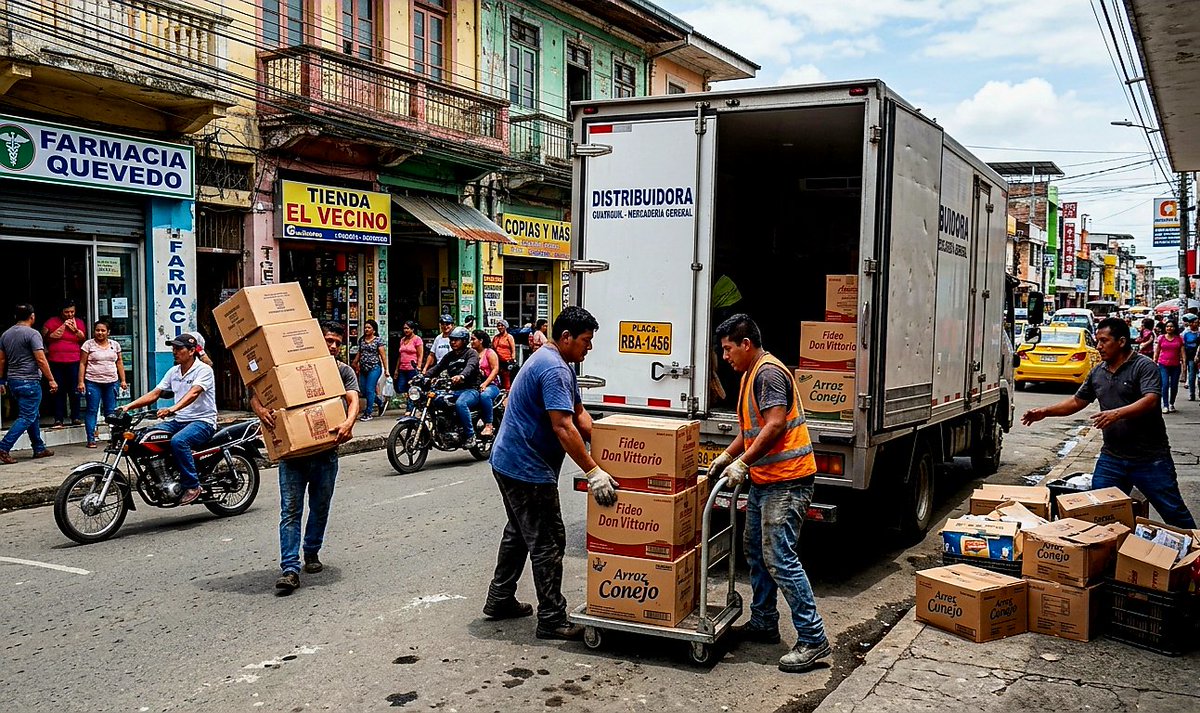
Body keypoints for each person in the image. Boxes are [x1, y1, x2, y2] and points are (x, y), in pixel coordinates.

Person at [707, 313, 831, 673]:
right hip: (767, 480)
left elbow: (775, 424)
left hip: (788, 481)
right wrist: (728, 456)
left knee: (779, 557)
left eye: (728, 349)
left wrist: (742, 463)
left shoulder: (768, 373)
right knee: (756, 552)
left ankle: (813, 638)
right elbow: (752, 429)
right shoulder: (751, 373)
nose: (724, 356)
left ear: (746, 344)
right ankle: (764, 621)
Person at [485, 306, 613, 640]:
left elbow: (580, 414)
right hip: (525, 467)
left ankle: (500, 598)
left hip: (508, 461)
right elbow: (563, 426)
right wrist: (594, 471)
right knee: (548, 540)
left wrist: (613, 446)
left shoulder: (559, 363)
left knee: (519, 532)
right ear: (566, 337)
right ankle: (552, 618)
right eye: (586, 340)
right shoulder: (554, 368)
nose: (590, 347)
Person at [1022, 317, 1196, 528]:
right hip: (1112, 458)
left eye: (1104, 341)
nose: (1098, 346)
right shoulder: (1098, 372)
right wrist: (1045, 412)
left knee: (1174, 513)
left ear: (1121, 341)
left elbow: (1150, 400)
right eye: (1097, 341)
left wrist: (1117, 414)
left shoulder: (1144, 366)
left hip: (1150, 459)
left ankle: (1195, 546)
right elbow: (1077, 401)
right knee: (1099, 512)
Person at [251, 322, 359, 593]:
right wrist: (261, 411)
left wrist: (349, 422)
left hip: (326, 452)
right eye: (328, 340)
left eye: (337, 342)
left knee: (320, 506)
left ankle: (311, 551)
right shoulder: (290, 366)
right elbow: (258, 392)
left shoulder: (342, 371)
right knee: (290, 510)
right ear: (316, 340)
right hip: (293, 455)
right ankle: (290, 568)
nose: (333, 346)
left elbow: (353, 399)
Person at [119, 333, 216, 505]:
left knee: (179, 441)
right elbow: (155, 393)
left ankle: (193, 486)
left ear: (192, 351)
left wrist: (172, 409)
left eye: (179, 348)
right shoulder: (174, 371)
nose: (174, 351)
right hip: (180, 420)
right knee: (146, 435)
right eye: (173, 348)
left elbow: (194, 393)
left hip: (203, 421)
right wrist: (127, 407)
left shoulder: (204, 370)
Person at [0, 303, 56, 464]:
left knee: (33, 415)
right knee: (26, 416)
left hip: (13, 380)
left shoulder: (6, 334)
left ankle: (39, 447)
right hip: (29, 380)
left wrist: (1, 380)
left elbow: (2, 360)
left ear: (15, 317)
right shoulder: (33, 334)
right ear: (32, 317)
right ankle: (3, 447)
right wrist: (51, 379)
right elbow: (41, 359)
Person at [426, 326, 482, 447]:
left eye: (456, 340)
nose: (453, 342)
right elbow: (437, 368)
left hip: (471, 390)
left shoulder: (471, 353)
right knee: (437, 400)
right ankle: (445, 427)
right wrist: (423, 376)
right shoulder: (450, 356)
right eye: (451, 340)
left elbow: (470, 367)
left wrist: (461, 376)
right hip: (454, 390)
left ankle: (470, 435)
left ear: (464, 341)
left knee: (461, 404)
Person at [77, 319, 127, 448]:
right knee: (92, 410)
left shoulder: (115, 345)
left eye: (103, 330)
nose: (100, 333)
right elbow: (82, 363)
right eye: (97, 330)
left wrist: (123, 380)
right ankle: (91, 439)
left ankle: (114, 439)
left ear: (108, 332)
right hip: (92, 382)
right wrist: (81, 382)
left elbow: (119, 362)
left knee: (111, 412)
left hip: (111, 382)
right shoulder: (88, 345)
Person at [42, 300, 86, 428]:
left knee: (75, 390)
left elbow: (83, 338)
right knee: (58, 390)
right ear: (61, 312)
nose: (70, 314)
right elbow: (44, 337)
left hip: (74, 360)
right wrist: (61, 328)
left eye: (72, 312)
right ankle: (58, 419)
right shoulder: (51, 322)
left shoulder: (79, 322)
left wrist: (75, 329)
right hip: (56, 361)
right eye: (67, 312)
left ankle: (76, 416)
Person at [352, 319, 387, 421]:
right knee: (363, 391)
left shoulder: (378, 341)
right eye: (365, 327)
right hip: (363, 369)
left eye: (369, 328)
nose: (366, 329)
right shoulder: (362, 340)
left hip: (374, 368)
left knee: (370, 389)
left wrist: (386, 369)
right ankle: (380, 402)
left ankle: (368, 413)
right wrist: (355, 363)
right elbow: (360, 353)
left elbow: (383, 356)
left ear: (374, 330)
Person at [470, 329, 501, 439]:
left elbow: (495, 370)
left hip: (491, 385)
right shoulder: (471, 353)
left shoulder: (490, 353)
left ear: (481, 340)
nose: (471, 342)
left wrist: (485, 384)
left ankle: (489, 425)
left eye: (473, 339)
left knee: (485, 395)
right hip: (474, 386)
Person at [1154, 320, 1184, 413]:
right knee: (1165, 384)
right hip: (1163, 364)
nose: (1169, 328)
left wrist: (1184, 366)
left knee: (1174, 386)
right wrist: (1154, 362)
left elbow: (1183, 353)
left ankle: (1171, 403)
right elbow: (1157, 351)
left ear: (1175, 328)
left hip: (1176, 365)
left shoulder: (1179, 338)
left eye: (1171, 326)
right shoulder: (1161, 338)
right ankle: (1165, 405)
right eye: (1167, 326)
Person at [393, 320, 424, 407]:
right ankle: (410, 404)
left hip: (412, 368)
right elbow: (400, 355)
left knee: (412, 388)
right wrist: (396, 369)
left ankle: (410, 408)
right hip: (402, 368)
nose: (406, 330)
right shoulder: (402, 340)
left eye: (408, 328)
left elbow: (420, 354)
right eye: (404, 328)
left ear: (412, 329)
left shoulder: (417, 339)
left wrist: (419, 366)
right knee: (401, 387)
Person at [492, 320, 516, 391]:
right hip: (497, 360)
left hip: (506, 360)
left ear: (505, 327)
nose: (500, 327)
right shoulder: (496, 337)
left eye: (502, 326)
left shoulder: (509, 337)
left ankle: (507, 392)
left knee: (506, 378)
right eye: (498, 326)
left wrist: (512, 360)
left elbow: (513, 349)